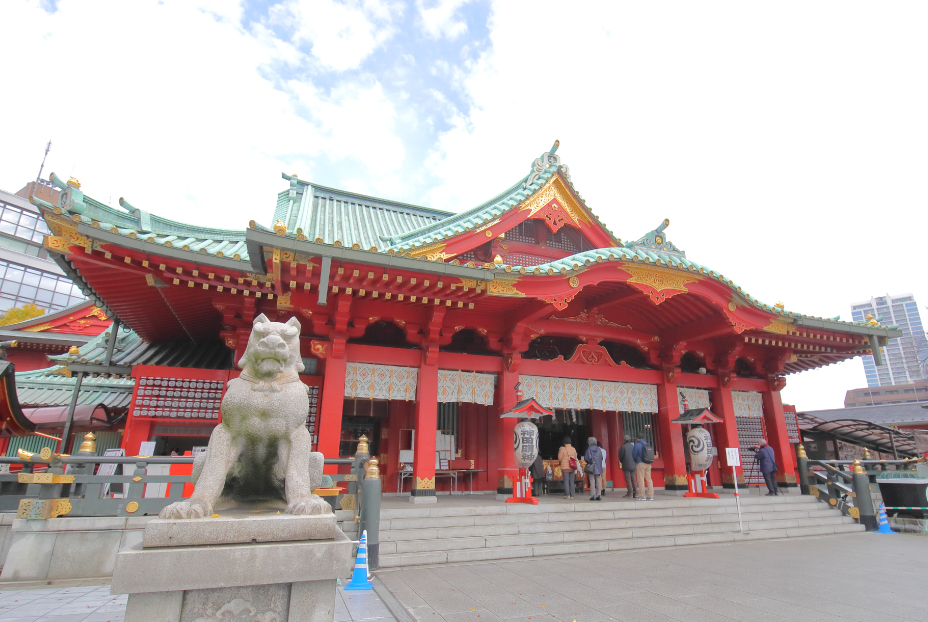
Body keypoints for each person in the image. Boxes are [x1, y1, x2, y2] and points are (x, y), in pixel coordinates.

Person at [632, 434, 654, 501]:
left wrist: (636, 461)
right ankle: (651, 496)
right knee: (649, 479)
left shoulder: (637, 444)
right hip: (648, 463)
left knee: (641, 479)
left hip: (640, 463)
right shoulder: (647, 444)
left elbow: (634, 454)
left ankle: (642, 496)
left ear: (638, 438)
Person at [618, 434, 638, 499]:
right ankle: (635, 493)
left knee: (628, 479)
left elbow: (620, 456)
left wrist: (622, 461)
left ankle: (630, 493)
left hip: (626, 464)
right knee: (633, 479)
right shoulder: (633, 446)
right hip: (633, 464)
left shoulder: (623, 447)